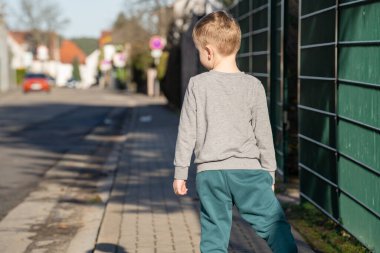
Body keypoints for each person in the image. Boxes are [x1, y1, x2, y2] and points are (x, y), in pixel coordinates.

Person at [172, 10, 298, 253]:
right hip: (248, 172)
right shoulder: (253, 86)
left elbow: (187, 131)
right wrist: (269, 172)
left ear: (208, 51)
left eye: (199, 51)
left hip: (210, 174)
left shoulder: (197, 85)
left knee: (214, 233)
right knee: (274, 224)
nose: (200, 56)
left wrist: (180, 173)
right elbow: (263, 134)